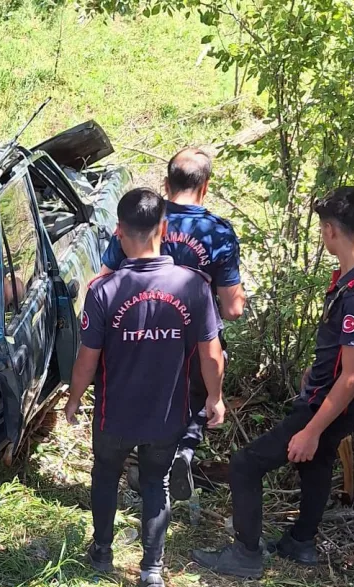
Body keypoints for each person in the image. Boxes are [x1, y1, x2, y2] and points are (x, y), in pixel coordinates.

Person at [191, 186, 354, 577]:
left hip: (329, 405)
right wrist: (316, 372)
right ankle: (300, 542)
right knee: (316, 464)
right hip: (333, 396)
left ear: (331, 231)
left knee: (246, 465)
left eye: (322, 228)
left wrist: (313, 428)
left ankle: (246, 554)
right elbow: (345, 358)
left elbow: (352, 376)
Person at [64, 187, 226, 587]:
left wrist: (74, 398)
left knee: (105, 474)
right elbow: (212, 354)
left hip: (113, 413)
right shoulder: (193, 286)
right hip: (167, 413)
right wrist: (215, 398)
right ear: (164, 229)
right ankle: (151, 573)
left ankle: (102, 552)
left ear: (118, 232)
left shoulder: (104, 291)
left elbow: (87, 358)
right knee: (155, 483)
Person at [97, 148, 245, 501]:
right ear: (205, 187)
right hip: (194, 341)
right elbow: (234, 308)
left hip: (136, 337)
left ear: (166, 183)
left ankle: (140, 464)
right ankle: (182, 453)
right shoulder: (218, 233)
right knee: (196, 398)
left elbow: (103, 278)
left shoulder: (142, 219)